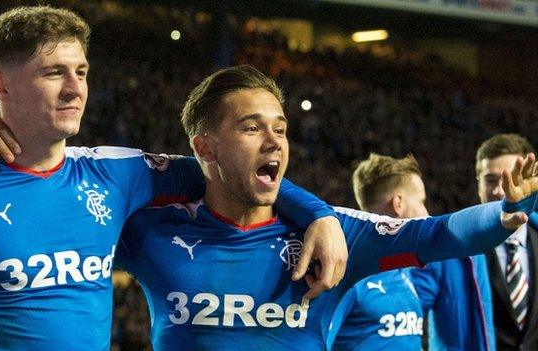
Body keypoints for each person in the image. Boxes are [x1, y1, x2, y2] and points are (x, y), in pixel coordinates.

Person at [0, 6, 348, 350]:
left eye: (80, 71)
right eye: (53, 73)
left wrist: (319, 214)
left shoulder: (119, 173)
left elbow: (228, 165)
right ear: (1, 86)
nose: (75, 88)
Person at [113, 65, 536, 350]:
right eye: (251, 127)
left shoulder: (338, 235)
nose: (275, 139)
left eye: (280, 128)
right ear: (205, 148)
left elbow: (441, 234)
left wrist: (502, 213)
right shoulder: (149, 233)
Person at [330, 153, 427, 350]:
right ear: (398, 203)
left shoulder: (402, 269)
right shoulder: (347, 273)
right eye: (421, 202)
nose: (427, 214)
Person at [475, 134, 538, 350]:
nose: (498, 191)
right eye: (490, 180)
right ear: (478, 182)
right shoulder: (456, 249)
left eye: (511, 180)